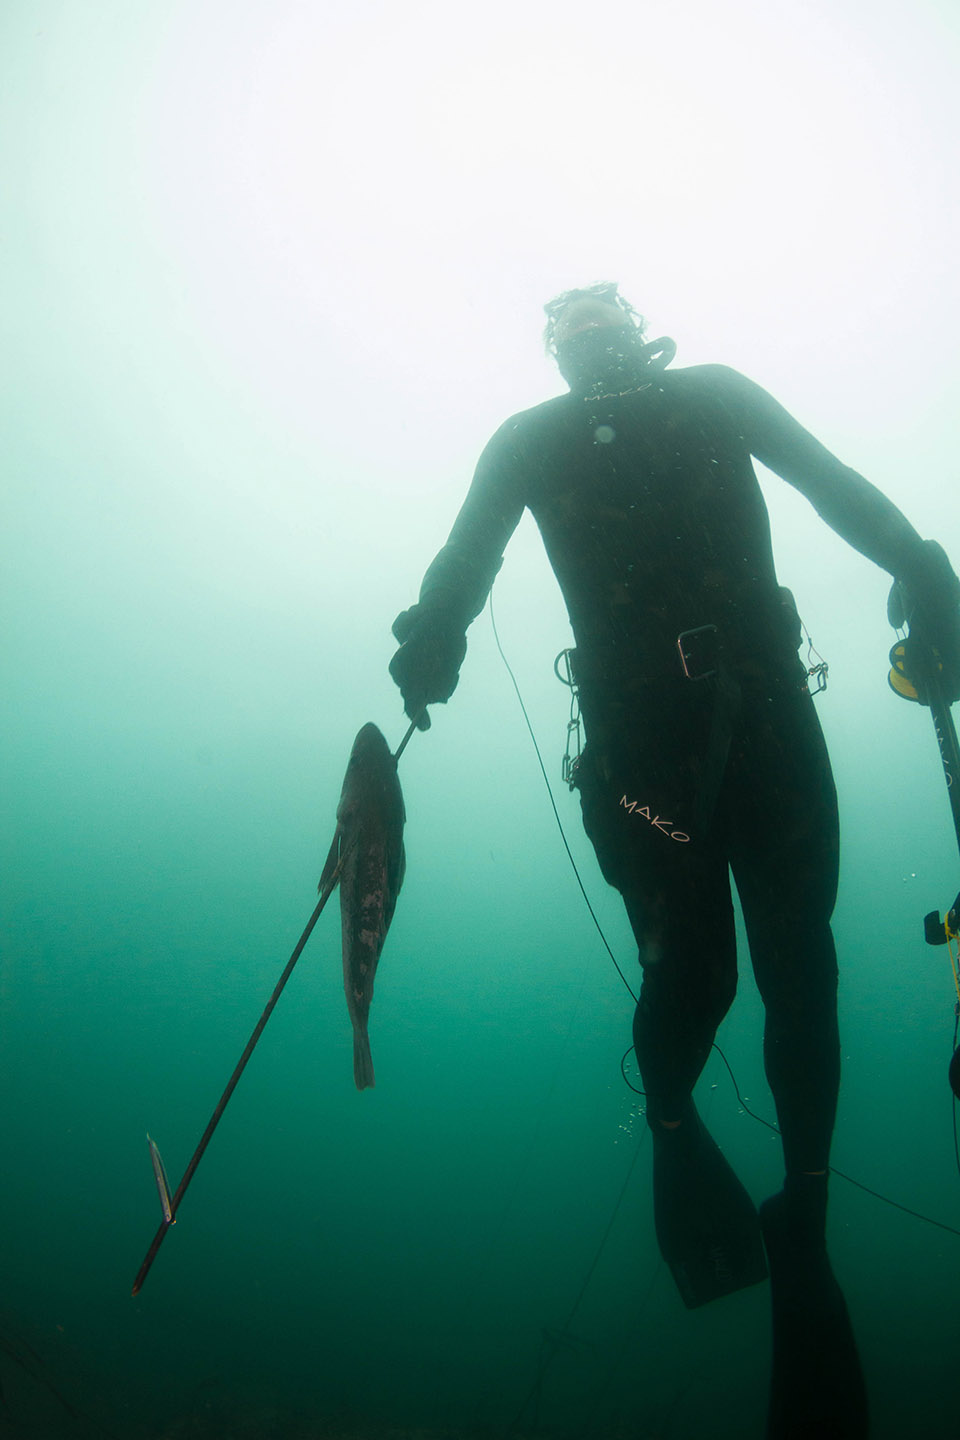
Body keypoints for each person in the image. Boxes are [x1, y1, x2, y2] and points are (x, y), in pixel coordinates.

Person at [388, 283, 960, 1437]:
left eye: (599, 321)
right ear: (561, 356)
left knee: (800, 964)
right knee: (697, 976)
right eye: (572, 329)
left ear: (634, 331)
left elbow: (835, 487)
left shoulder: (707, 397)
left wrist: (923, 564)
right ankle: (669, 1119)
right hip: (648, 756)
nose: (590, 339)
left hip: (758, 725)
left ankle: (802, 1207)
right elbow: (467, 559)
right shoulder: (534, 441)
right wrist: (433, 634)